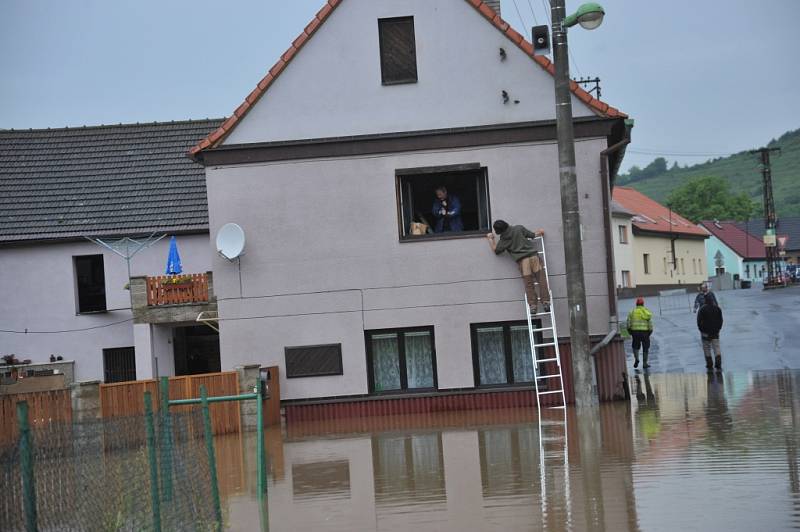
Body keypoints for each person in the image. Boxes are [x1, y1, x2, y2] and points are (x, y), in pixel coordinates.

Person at [486, 220, 550, 312]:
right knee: (541, 280)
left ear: (498, 231)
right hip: (534, 258)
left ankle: (533, 306)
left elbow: (496, 251)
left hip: (523, 262)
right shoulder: (519, 228)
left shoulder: (504, 240)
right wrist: (540, 232)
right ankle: (546, 302)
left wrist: (490, 239)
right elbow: (532, 235)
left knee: (528, 284)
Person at [697, 296, 724, 371]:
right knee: (716, 347)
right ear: (712, 301)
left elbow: (699, 321)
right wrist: (718, 329)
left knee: (706, 347)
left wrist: (701, 330)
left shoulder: (702, 309)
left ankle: (709, 363)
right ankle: (718, 362)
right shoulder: (717, 309)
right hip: (715, 332)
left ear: (705, 301)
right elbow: (721, 320)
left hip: (705, 332)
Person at [626, 297, 653, 369]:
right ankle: (644, 363)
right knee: (645, 347)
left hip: (635, 332)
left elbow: (628, 322)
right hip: (645, 332)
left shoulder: (632, 312)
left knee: (635, 346)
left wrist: (629, 330)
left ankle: (637, 359)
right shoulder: (646, 312)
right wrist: (650, 331)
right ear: (643, 304)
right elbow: (649, 323)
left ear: (636, 304)